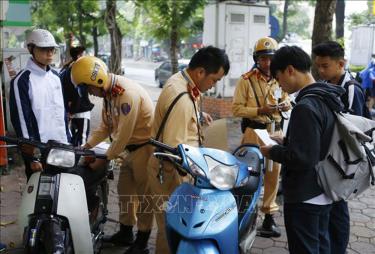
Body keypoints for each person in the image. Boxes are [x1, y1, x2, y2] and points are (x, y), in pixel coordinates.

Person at [260, 45, 345, 254]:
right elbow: (317, 142)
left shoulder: (305, 106)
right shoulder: (327, 96)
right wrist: (288, 140)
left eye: (278, 77)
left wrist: (272, 151)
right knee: (322, 246)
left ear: (290, 70)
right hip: (324, 191)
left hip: (305, 195)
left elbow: (302, 158)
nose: (279, 84)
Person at [147, 46, 230, 254]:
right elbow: (176, 151)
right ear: (200, 72)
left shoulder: (181, 80)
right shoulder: (182, 98)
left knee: (172, 226)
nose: (213, 86)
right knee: (172, 228)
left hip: (166, 169)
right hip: (171, 174)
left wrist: (199, 118)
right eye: (214, 80)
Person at [71, 56, 154, 254]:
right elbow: (106, 127)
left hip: (144, 149)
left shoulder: (127, 95)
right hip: (127, 150)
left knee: (144, 198)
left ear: (97, 82)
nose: (90, 93)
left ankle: (142, 242)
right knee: (125, 192)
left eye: (89, 88)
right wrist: (85, 146)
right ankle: (126, 233)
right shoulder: (109, 94)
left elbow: (123, 134)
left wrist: (104, 158)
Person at [313, 41, 368, 254]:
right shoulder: (326, 83)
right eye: (318, 65)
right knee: (332, 205)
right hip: (330, 157)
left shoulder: (351, 88)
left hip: (346, 160)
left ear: (341, 63)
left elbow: (354, 127)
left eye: (325, 65)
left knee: (338, 206)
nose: (321, 70)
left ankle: (339, 249)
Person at [232, 37, 290, 238]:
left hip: (275, 132)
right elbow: (236, 109)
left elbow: (287, 101)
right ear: (257, 59)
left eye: (271, 58)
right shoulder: (245, 80)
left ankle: (269, 217)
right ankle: (243, 214)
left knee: (274, 175)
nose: (267, 63)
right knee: (247, 174)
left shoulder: (280, 79)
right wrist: (260, 109)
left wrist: (285, 106)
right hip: (253, 131)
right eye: (263, 58)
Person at [9, 29, 70, 180]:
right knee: (39, 196)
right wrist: (32, 158)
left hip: (61, 146)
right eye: (43, 49)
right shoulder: (21, 80)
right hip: (38, 149)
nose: (49, 53)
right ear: (31, 49)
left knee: (62, 191)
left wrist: (68, 140)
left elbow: (61, 113)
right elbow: (21, 120)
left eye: (52, 49)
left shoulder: (56, 76)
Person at [60, 46, 94, 146]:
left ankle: (74, 160)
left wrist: (69, 110)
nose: (86, 57)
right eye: (84, 54)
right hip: (80, 110)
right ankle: (79, 160)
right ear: (79, 56)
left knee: (75, 140)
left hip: (72, 110)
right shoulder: (77, 70)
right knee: (82, 141)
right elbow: (78, 92)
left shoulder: (67, 68)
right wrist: (72, 110)